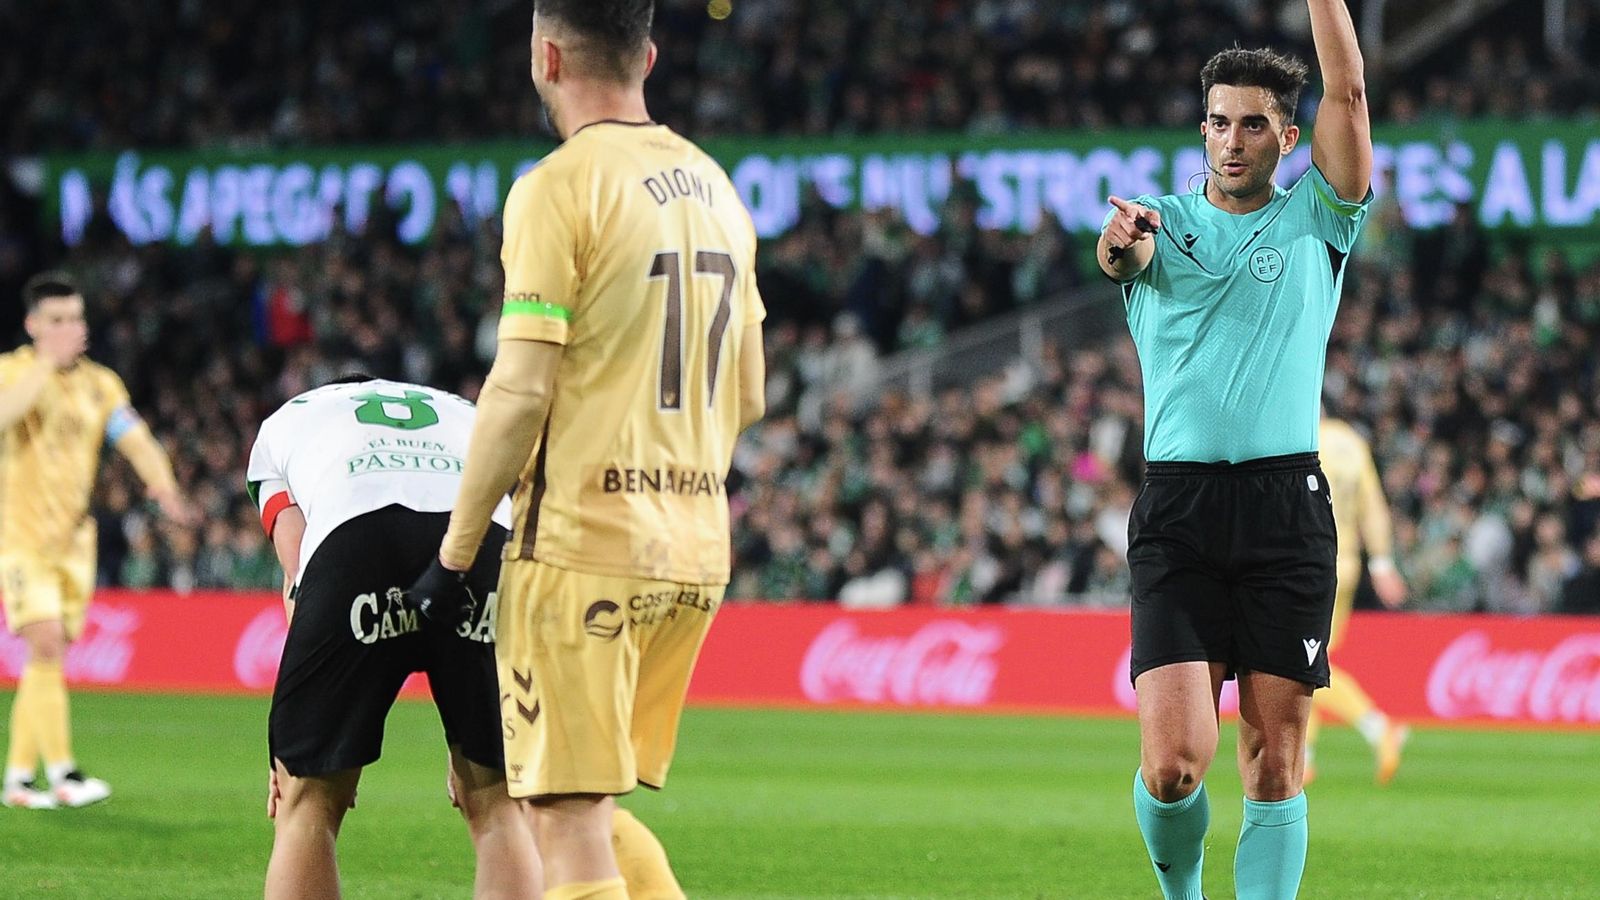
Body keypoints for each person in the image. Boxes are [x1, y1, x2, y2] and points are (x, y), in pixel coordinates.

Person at [406, 1, 767, 898]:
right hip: (692, 546)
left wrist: (453, 556)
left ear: (546, 57)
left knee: (562, 822)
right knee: (586, 812)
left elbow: (521, 387)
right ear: (648, 55)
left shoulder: (558, 185)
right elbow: (750, 392)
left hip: (582, 547)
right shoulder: (718, 188)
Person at [1097, 1, 1372, 896]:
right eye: (1218, 121)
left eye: (1254, 123)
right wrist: (1118, 250)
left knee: (1273, 761)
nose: (1232, 139)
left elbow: (1353, 91)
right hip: (1178, 509)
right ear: (1202, 127)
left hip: (1285, 510)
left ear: (1288, 137)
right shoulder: (1157, 223)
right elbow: (1124, 261)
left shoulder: (1318, 221)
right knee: (1176, 763)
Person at [250, 375, 687, 900]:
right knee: (500, 804)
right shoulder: (461, 409)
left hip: (358, 539)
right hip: (481, 544)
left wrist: (295, 747)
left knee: (310, 807)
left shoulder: (283, 424)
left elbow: (300, 572)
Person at [1, 272, 192, 810]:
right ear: (33, 325)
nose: (69, 329)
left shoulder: (100, 384)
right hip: (20, 536)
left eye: (76, 319)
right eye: (56, 320)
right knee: (45, 645)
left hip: (74, 542)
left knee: (48, 656)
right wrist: (43, 363)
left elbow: (135, 439)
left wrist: (165, 487)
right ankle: (63, 771)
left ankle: (18, 780)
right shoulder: (12, 372)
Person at [1306, 414, 1409, 785]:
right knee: (1305, 657)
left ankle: (1379, 728)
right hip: (1345, 563)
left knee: (1303, 660)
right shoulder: (1351, 441)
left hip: (1308, 564)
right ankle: (1303, 756)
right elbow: (1374, 506)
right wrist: (1381, 562)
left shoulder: (1297, 436)